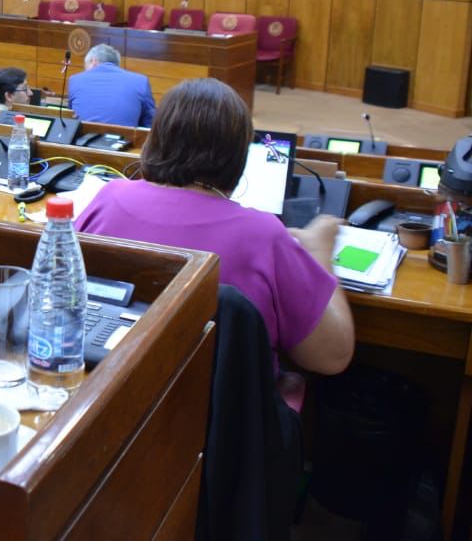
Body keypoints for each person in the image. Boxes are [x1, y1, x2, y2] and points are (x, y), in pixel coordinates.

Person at [76, 78, 354, 378]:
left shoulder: (110, 198)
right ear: (239, 157)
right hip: (224, 417)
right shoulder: (263, 233)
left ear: (155, 139)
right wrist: (320, 252)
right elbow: (332, 357)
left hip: (117, 396)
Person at [67, 44, 156, 127]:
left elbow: (72, 116)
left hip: (82, 141)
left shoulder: (75, 80)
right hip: (126, 141)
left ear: (93, 61)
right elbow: (150, 122)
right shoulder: (140, 81)